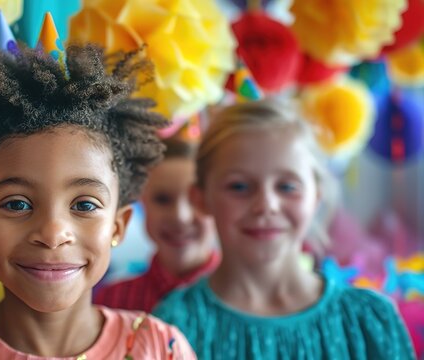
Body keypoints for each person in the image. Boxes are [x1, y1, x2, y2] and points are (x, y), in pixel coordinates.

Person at [0, 39, 195, 359]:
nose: (53, 233)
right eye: (17, 203)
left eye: (84, 205)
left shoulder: (160, 349)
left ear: (117, 227)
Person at [153, 99, 415, 359]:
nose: (266, 205)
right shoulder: (174, 328)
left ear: (316, 196)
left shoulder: (367, 321)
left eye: (287, 187)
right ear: (200, 198)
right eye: (239, 187)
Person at [95, 135, 219, 312]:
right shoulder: (113, 301)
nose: (180, 216)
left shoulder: (250, 298)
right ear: (142, 203)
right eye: (162, 199)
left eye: (195, 200)